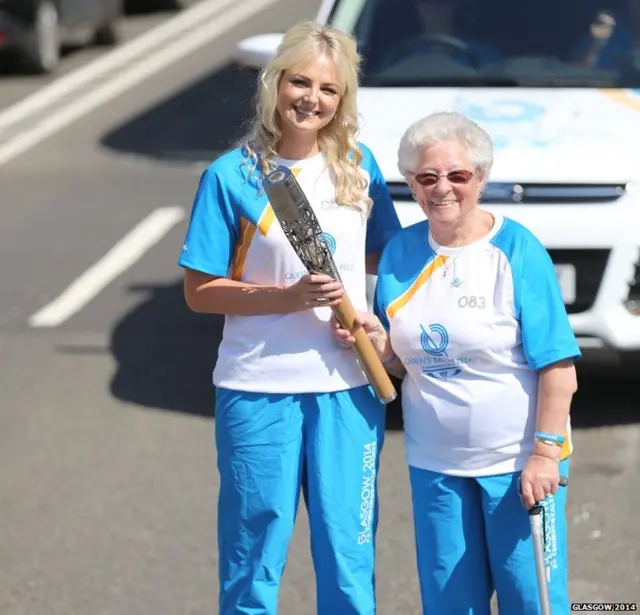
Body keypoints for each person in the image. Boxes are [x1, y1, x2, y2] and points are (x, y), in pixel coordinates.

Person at [177, 20, 402, 615]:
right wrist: (288, 296)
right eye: (300, 82)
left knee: (348, 561)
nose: (313, 99)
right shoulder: (234, 176)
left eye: (329, 89)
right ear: (275, 84)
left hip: (347, 389)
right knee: (252, 563)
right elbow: (200, 291)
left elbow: (383, 258)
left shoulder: (360, 167)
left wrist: (375, 321)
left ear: (343, 99)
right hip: (259, 389)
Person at [331, 111, 581, 614]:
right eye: (427, 178)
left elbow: (559, 369)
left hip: (517, 467)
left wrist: (546, 454)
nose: (442, 188)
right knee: (449, 606)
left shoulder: (516, 250)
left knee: (531, 603)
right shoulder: (401, 253)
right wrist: (374, 344)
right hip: (436, 466)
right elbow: (402, 364)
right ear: (411, 185)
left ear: (481, 178)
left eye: (457, 175)